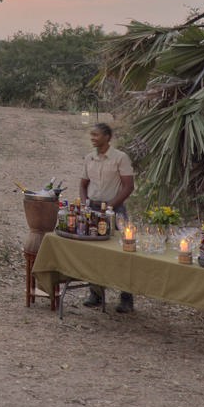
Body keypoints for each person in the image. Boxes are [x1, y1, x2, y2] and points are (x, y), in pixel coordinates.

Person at [78, 122, 136, 313]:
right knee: (94, 252)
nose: (92, 138)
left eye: (96, 135)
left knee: (123, 252)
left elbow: (128, 186)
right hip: (93, 208)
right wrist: (85, 204)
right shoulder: (90, 158)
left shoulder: (120, 158)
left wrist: (111, 205)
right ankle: (95, 293)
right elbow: (83, 184)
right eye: (91, 135)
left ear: (107, 137)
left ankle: (126, 298)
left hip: (115, 209)